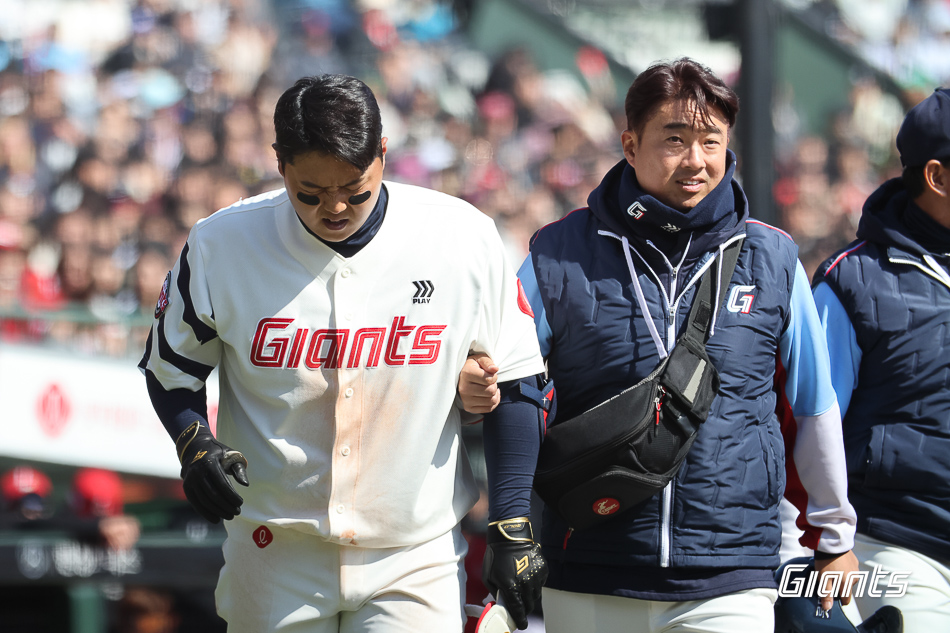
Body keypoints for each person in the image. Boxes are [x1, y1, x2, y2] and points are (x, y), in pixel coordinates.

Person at [459, 57, 859, 632]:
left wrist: (833, 538)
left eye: (710, 141)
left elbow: (812, 406)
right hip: (593, 569)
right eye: (674, 140)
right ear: (629, 143)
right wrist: (510, 525)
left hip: (730, 575)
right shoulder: (557, 252)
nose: (695, 161)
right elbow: (509, 380)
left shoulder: (772, 257)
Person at [138, 73, 545, 633]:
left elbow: (520, 379)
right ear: (280, 163)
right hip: (275, 547)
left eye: (356, 189)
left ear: (382, 153)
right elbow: (170, 371)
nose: (335, 207)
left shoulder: (461, 237)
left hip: (413, 553)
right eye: (311, 193)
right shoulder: (221, 243)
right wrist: (193, 442)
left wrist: (512, 522)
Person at [811, 87, 950, 630]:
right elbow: (809, 422)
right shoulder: (853, 280)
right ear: (937, 178)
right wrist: (822, 542)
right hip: (899, 544)